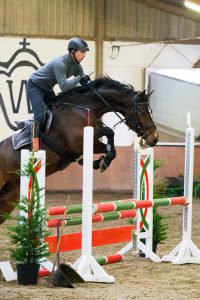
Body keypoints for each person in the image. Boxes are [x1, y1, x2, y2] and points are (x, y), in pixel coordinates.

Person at [26, 37, 90, 151]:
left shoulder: (77, 66)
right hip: (35, 86)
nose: (84, 55)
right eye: (82, 52)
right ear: (72, 52)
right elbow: (64, 87)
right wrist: (80, 77)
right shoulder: (60, 63)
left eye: (85, 52)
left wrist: (89, 83)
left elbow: (83, 82)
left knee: (57, 108)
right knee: (40, 114)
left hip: (47, 88)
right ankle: (34, 144)